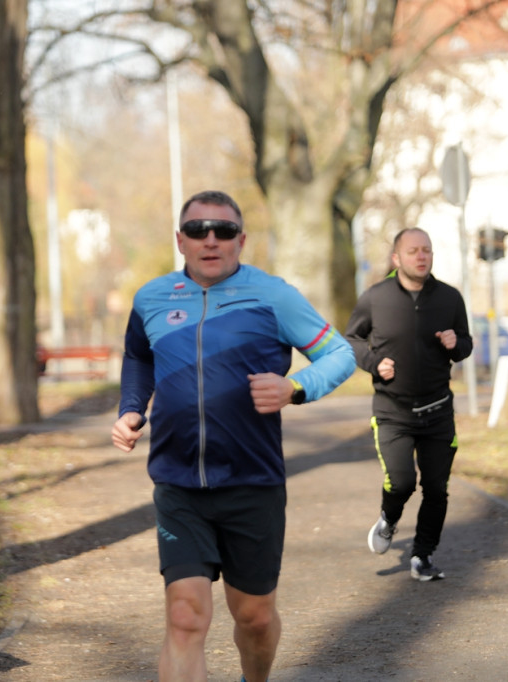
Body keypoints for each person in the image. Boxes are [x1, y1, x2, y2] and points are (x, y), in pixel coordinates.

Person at [111, 190, 355, 681]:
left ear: (241, 240)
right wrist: (132, 409)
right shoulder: (152, 298)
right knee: (185, 616)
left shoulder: (273, 296)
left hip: (253, 483)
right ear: (181, 240)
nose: (211, 240)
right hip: (178, 484)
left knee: (255, 618)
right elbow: (138, 357)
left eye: (223, 231)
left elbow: (340, 354)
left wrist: (295, 387)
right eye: (198, 230)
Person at [344, 227, 472, 581]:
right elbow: (351, 339)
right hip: (393, 412)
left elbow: (466, 343)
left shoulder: (450, 298)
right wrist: (373, 363)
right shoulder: (376, 297)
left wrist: (454, 342)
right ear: (397, 258)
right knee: (401, 483)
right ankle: (388, 519)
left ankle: (423, 556)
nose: (422, 256)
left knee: (435, 488)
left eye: (427, 250)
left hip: (438, 412)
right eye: (414, 251)